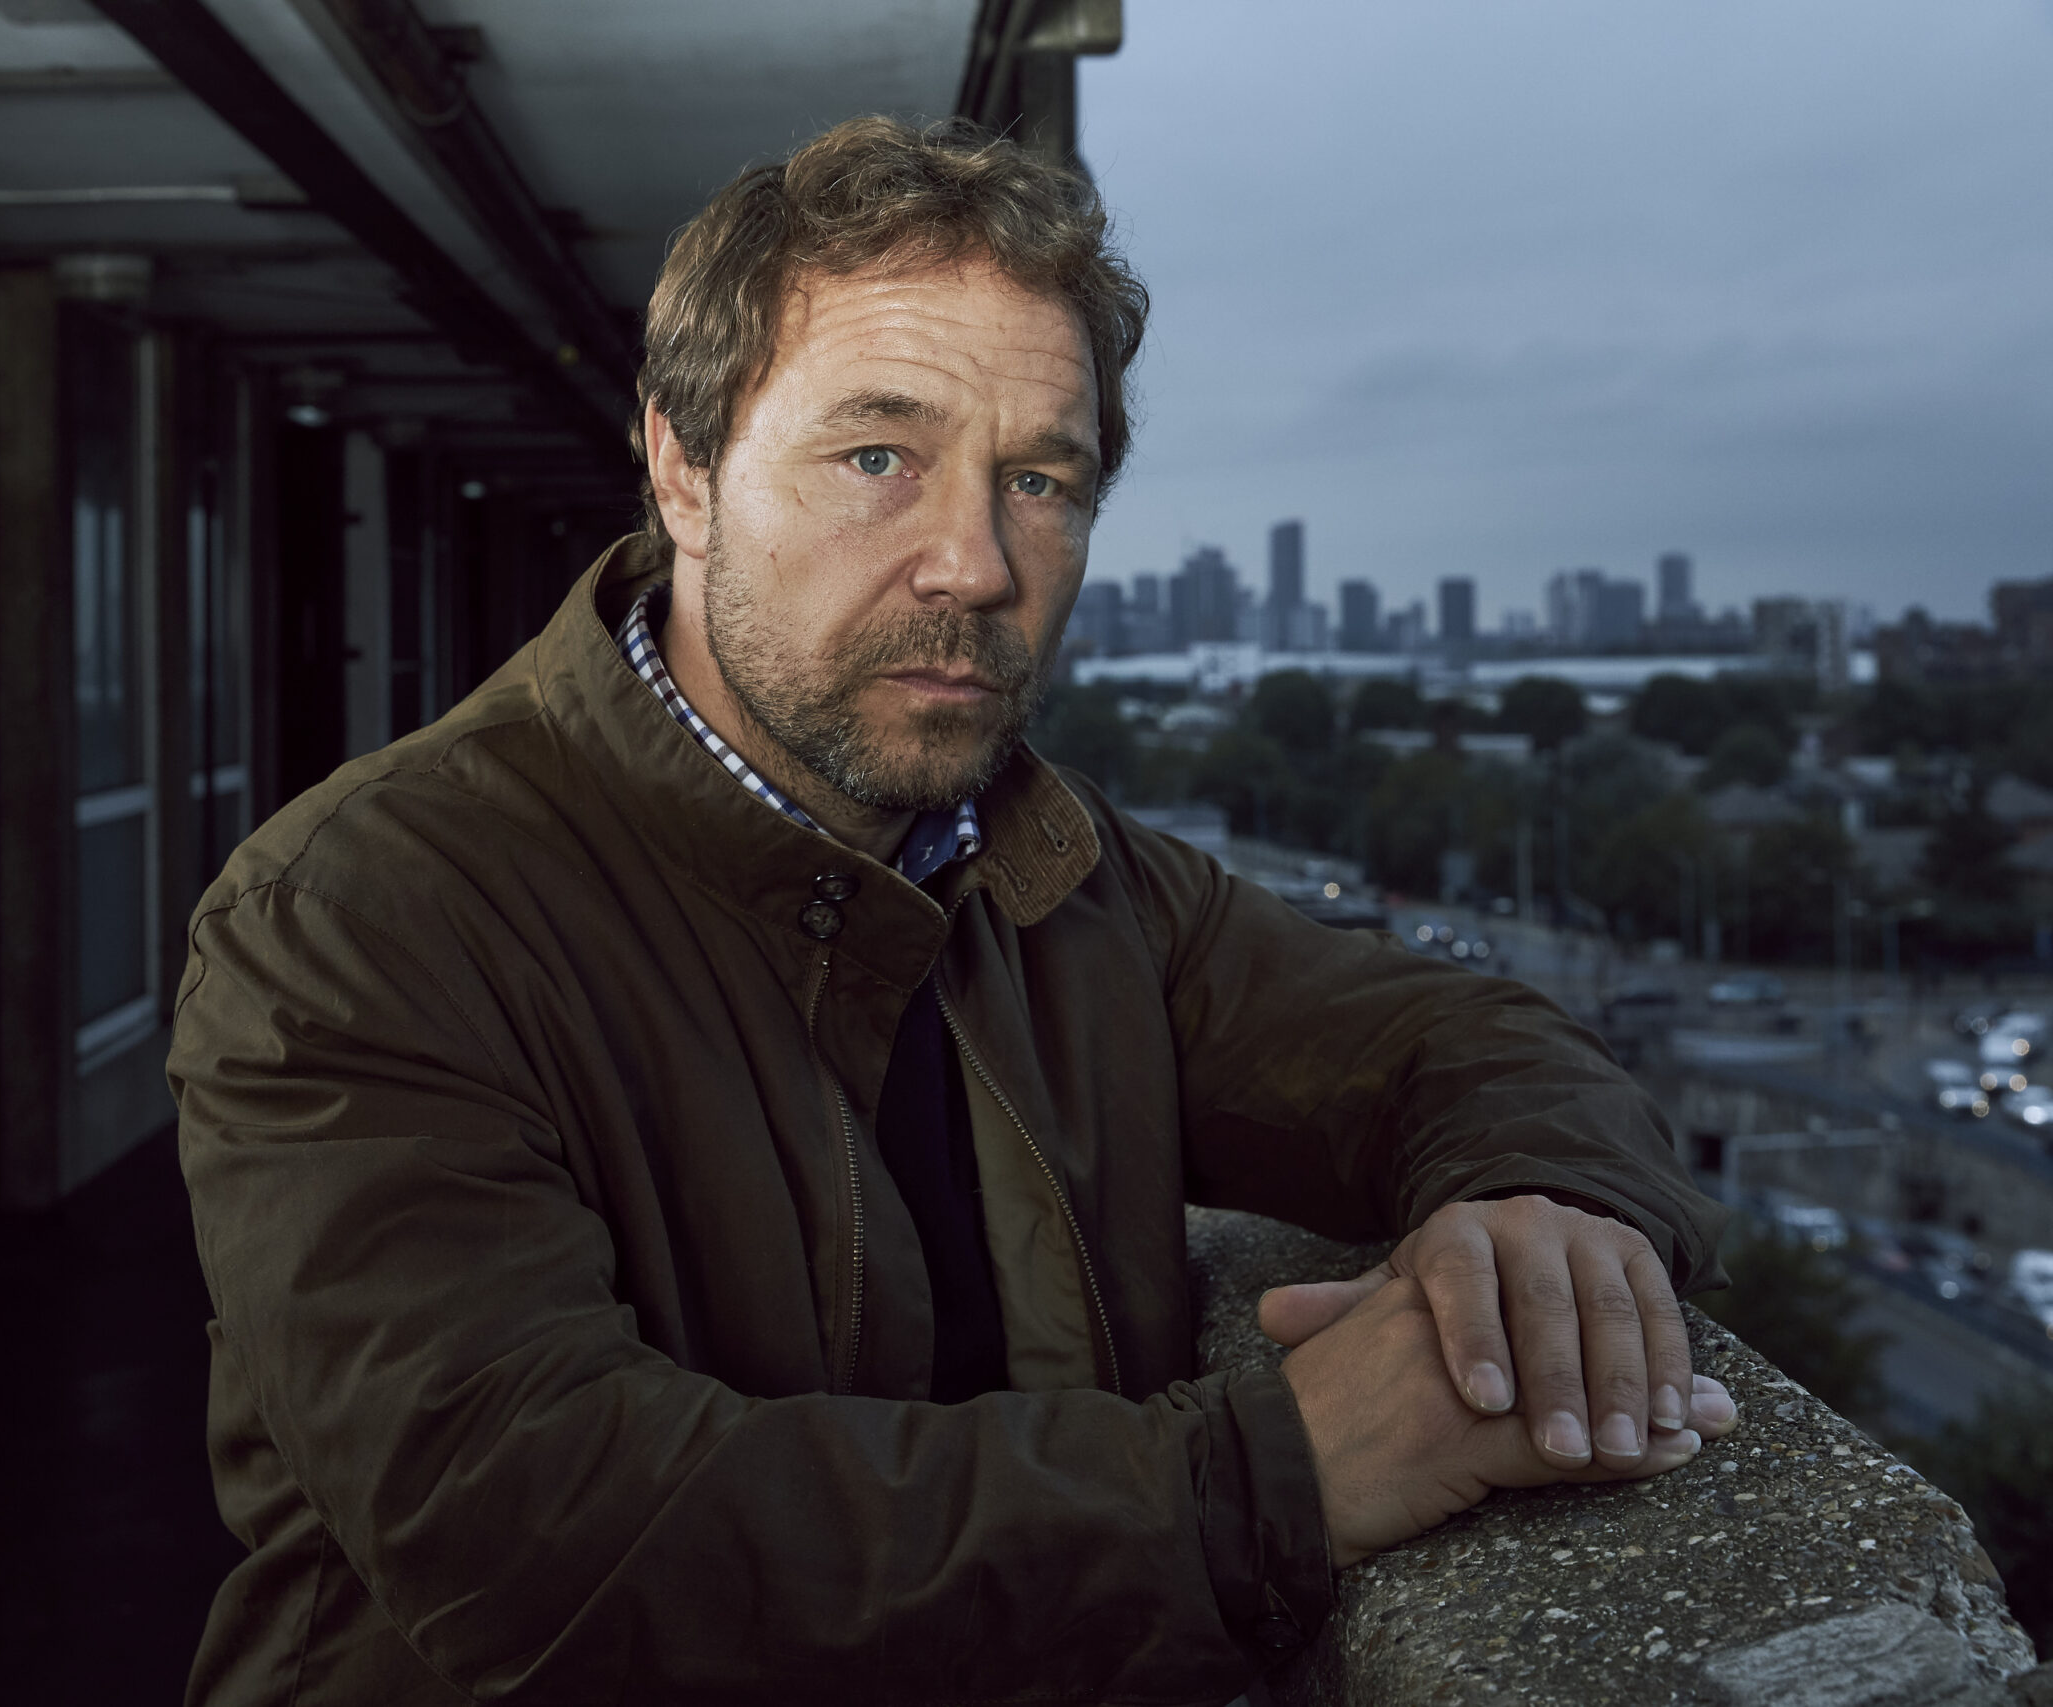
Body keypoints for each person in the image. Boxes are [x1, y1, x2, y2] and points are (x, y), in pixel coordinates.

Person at [169, 116, 1736, 1706]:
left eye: (1040, 479)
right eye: (878, 458)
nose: (977, 564)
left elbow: (1453, 1035)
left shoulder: (1058, 867)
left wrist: (1548, 1220)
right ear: (683, 468)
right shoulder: (357, 914)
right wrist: (1279, 1474)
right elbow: (536, 1530)